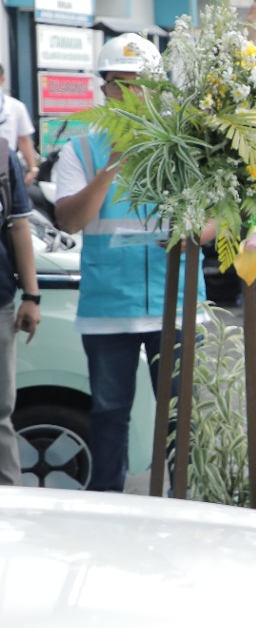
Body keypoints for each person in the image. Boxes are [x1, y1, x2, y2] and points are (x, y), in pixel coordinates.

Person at [54, 34, 205, 492]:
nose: (131, 95)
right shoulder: (79, 150)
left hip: (176, 304)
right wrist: (111, 167)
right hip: (108, 308)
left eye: (141, 84)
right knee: (109, 414)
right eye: (119, 85)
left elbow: (215, 218)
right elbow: (70, 219)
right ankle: (107, 509)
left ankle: (188, 503)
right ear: (104, 91)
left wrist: (192, 231)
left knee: (182, 417)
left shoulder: (184, 146)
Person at [0, 138, 40, 486]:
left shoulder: (1, 153)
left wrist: (32, 295)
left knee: (0, 414)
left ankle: (8, 505)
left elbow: (19, 225)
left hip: (0, 303)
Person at [0, 67, 39, 181]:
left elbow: (24, 140)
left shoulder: (16, 107)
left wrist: (32, 168)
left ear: (2, 80)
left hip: (7, 168)